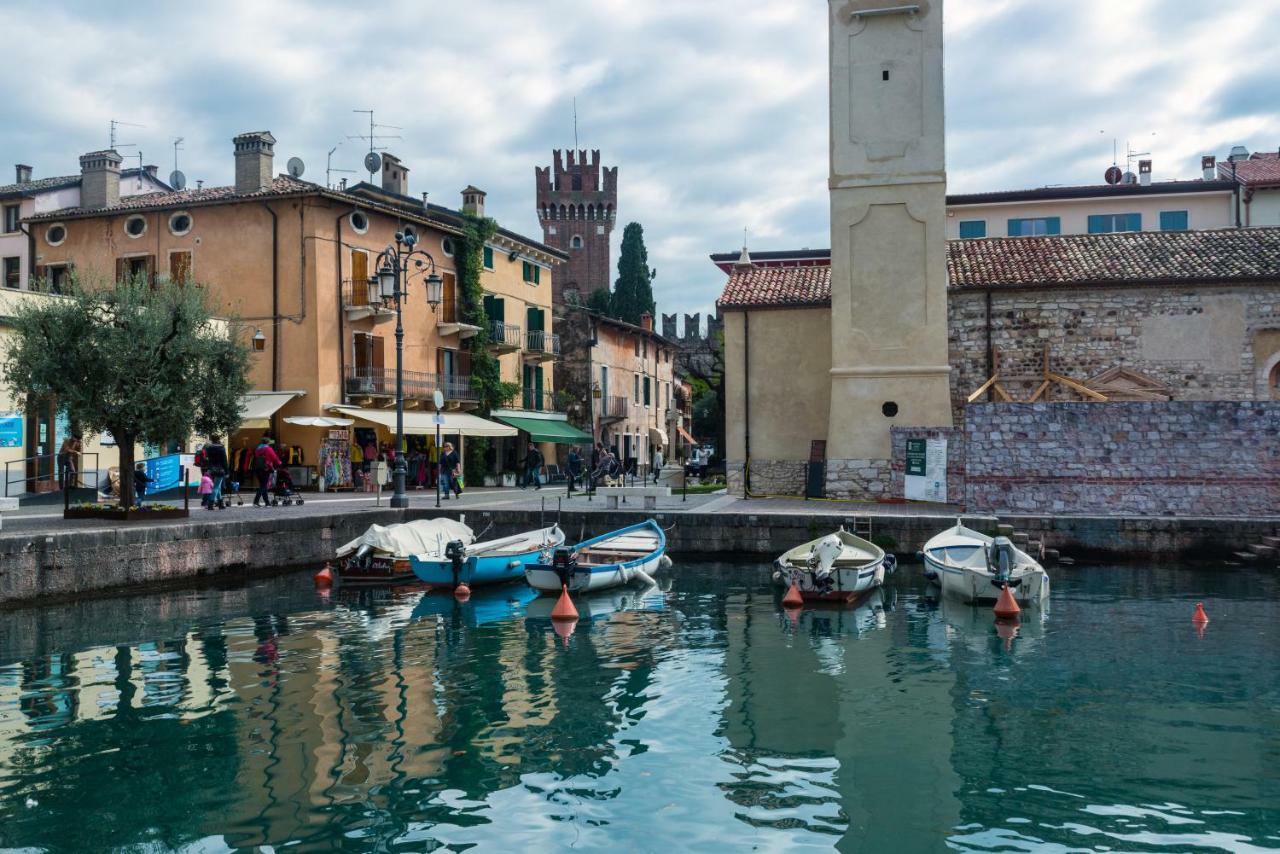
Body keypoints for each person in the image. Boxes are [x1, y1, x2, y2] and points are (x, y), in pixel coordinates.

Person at [251, 437, 282, 507]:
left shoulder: (257, 449)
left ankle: (267, 502)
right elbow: (274, 457)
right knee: (263, 485)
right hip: (266, 468)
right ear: (268, 442)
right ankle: (256, 501)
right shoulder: (268, 449)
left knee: (263, 485)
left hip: (258, 468)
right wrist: (279, 462)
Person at [202, 434, 229, 508]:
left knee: (218, 486)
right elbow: (224, 461)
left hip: (211, 469)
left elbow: (207, 458)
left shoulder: (209, 448)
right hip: (220, 469)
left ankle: (220, 504)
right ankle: (210, 504)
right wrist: (227, 471)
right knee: (216, 487)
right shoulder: (221, 448)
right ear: (218, 439)